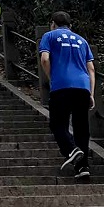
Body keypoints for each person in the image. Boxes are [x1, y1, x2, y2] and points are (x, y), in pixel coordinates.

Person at [39, 11, 95, 181]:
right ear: (70, 25)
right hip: (82, 87)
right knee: (81, 128)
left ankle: (71, 150)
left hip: (61, 85)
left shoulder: (49, 36)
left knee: (58, 124)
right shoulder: (82, 41)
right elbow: (91, 69)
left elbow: (45, 59)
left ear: (52, 24)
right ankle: (83, 167)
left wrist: (52, 77)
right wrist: (91, 93)